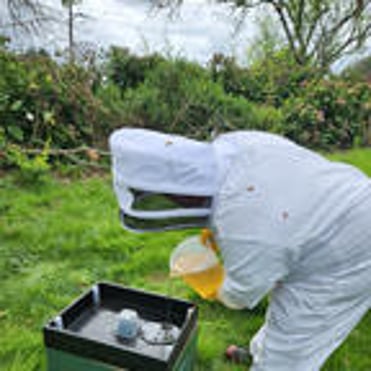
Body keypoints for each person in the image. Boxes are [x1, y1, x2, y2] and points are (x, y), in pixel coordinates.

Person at [109, 128, 371, 371]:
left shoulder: (251, 228)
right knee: (285, 307)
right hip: (340, 200)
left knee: (298, 334)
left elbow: (242, 296)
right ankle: (257, 354)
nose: (170, 201)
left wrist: (212, 287)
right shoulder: (235, 145)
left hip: (351, 249)